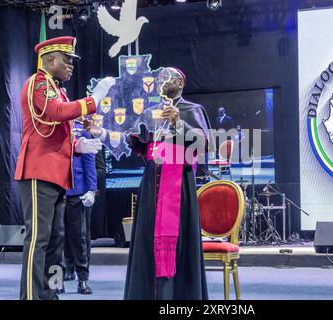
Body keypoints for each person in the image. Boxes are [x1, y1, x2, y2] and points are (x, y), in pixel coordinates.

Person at [87, 67, 210, 300]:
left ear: (181, 83)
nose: (162, 79)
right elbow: (134, 143)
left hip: (179, 186)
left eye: (169, 77)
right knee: (147, 243)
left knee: (180, 243)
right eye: (160, 76)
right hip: (151, 184)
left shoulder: (192, 110)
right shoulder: (150, 112)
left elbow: (202, 146)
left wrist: (178, 123)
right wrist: (101, 132)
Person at [14, 36, 115, 300]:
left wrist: (78, 145)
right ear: (49, 59)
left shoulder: (57, 89)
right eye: (66, 59)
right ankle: (30, 297)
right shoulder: (38, 82)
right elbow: (57, 113)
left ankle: (50, 293)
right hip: (38, 171)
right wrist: (93, 100)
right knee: (38, 240)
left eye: (72, 60)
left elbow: (57, 128)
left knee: (56, 242)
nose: (71, 65)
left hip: (57, 175)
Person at [62, 119, 97, 295]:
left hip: (77, 190)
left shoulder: (81, 130)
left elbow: (89, 161)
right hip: (58, 190)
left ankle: (83, 279)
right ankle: (59, 278)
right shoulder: (51, 128)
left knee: (79, 237)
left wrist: (92, 189)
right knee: (58, 238)